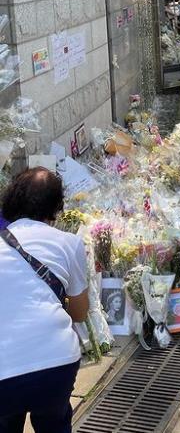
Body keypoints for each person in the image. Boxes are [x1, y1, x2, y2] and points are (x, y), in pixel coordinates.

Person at [0, 167, 89, 433]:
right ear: (56, 207)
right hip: (57, 362)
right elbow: (80, 313)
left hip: (4, 371)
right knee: (54, 422)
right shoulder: (70, 242)